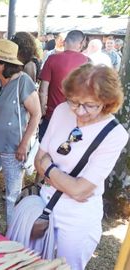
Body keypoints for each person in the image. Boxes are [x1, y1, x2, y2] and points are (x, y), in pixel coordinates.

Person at [34, 64, 128, 269]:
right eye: (74, 102)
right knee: (31, 262)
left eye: (89, 105)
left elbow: (80, 190)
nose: (79, 110)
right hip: (45, 201)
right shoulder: (61, 110)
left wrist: (49, 169)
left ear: (106, 102)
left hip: (77, 216)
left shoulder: (115, 134)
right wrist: (68, 183)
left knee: (67, 267)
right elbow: (37, 160)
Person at [0, 39, 41, 224]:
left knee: (12, 193)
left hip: (13, 149)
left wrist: (23, 145)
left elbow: (36, 114)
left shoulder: (23, 82)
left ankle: (13, 230)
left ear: (4, 65)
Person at [39, 30, 88, 141]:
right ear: (81, 43)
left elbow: (43, 91)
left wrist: (42, 111)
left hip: (51, 116)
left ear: (65, 42)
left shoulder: (52, 59)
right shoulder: (87, 62)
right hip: (75, 117)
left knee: (45, 152)